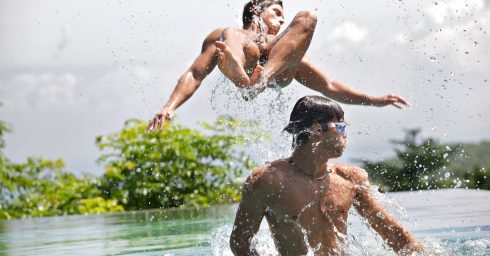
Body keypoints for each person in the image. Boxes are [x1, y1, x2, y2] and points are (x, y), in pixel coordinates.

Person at [147, 0, 409, 131]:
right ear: (257, 10)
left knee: (308, 16)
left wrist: (373, 100)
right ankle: (242, 75)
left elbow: (329, 86)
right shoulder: (231, 34)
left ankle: (258, 80)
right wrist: (169, 107)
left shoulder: (285, 48)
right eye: (276, 12)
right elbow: (195, 73)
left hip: (275, 71)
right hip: (240, 61)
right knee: (229, 35)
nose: (282, 20)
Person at [229, 96, 424, 255]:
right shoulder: (268, 180)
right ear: (315, 129)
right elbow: (240, 244)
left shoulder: (350, 179)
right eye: (340, 127)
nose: (345, 134)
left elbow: (394, 235)